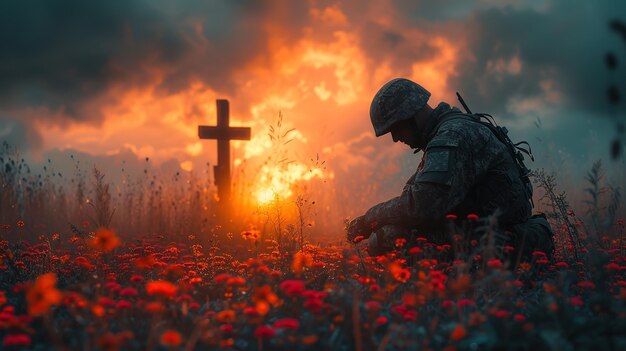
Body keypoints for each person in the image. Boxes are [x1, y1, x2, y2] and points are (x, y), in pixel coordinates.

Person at [347, 78, 554, 263]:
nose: (395, 138)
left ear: (412, 116)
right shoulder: (449, 132)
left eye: (396, 128)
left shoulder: (452, 135)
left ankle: (432, 298)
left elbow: (423, 205)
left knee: (385, 238)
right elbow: (417, 196)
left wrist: (369, 219)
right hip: (486, 232)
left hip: (502, 240)